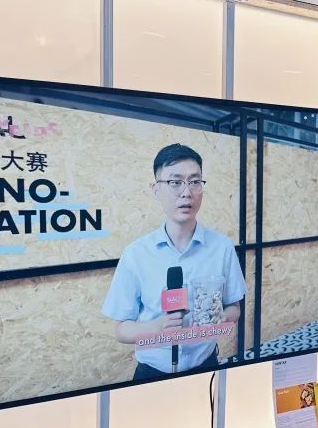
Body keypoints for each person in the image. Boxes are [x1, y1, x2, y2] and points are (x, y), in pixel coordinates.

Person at [102, 143, 246, 382]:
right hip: (151, 374)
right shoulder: (136, 254)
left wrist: (221, 318)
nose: (186, 192)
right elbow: (121, 330)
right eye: (175, 182)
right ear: (156, 189)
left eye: (195, 181)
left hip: (206, 366)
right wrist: (158, 326)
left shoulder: (222, 247)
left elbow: (234, 308)